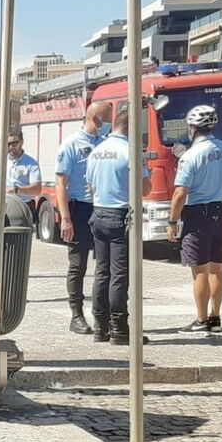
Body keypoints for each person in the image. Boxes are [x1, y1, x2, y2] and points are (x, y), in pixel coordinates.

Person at [166, 105, 222, 334]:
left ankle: (201, 319)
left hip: (199, 214)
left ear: (193, 128)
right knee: (217, 268)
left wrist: (172, 222)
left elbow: (179, 193)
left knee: (200, 271)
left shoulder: (191, 156)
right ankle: (215, 316)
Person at [85, 110, 151, 345]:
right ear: (132, 128)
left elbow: (90, 188)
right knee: (120, 276)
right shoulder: (131, 152)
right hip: (120, 215)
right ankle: (120, 330)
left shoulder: (96, 152)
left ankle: (100, 328)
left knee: (101, 273)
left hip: (98, 213)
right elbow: (144, 189)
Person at [55, 101, 113, 334]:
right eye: (108, 118)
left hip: (103, 208)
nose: (110, 123)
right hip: (79, 209)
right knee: (78, 265)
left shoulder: (107, 144)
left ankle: (103, 315)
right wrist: (66, 218)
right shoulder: (71, 144)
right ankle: (76, 314)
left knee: (105, 265)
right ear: (96, 119)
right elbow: (61, 183)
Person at [0, 129, 42, 212]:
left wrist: (16, 189)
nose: (11, 147)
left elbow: (37, 189)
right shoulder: (0, 161)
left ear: (22, 142)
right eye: (8, 144)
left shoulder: (31, 163)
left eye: (15, 143)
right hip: (2, 205)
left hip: (23, 206)